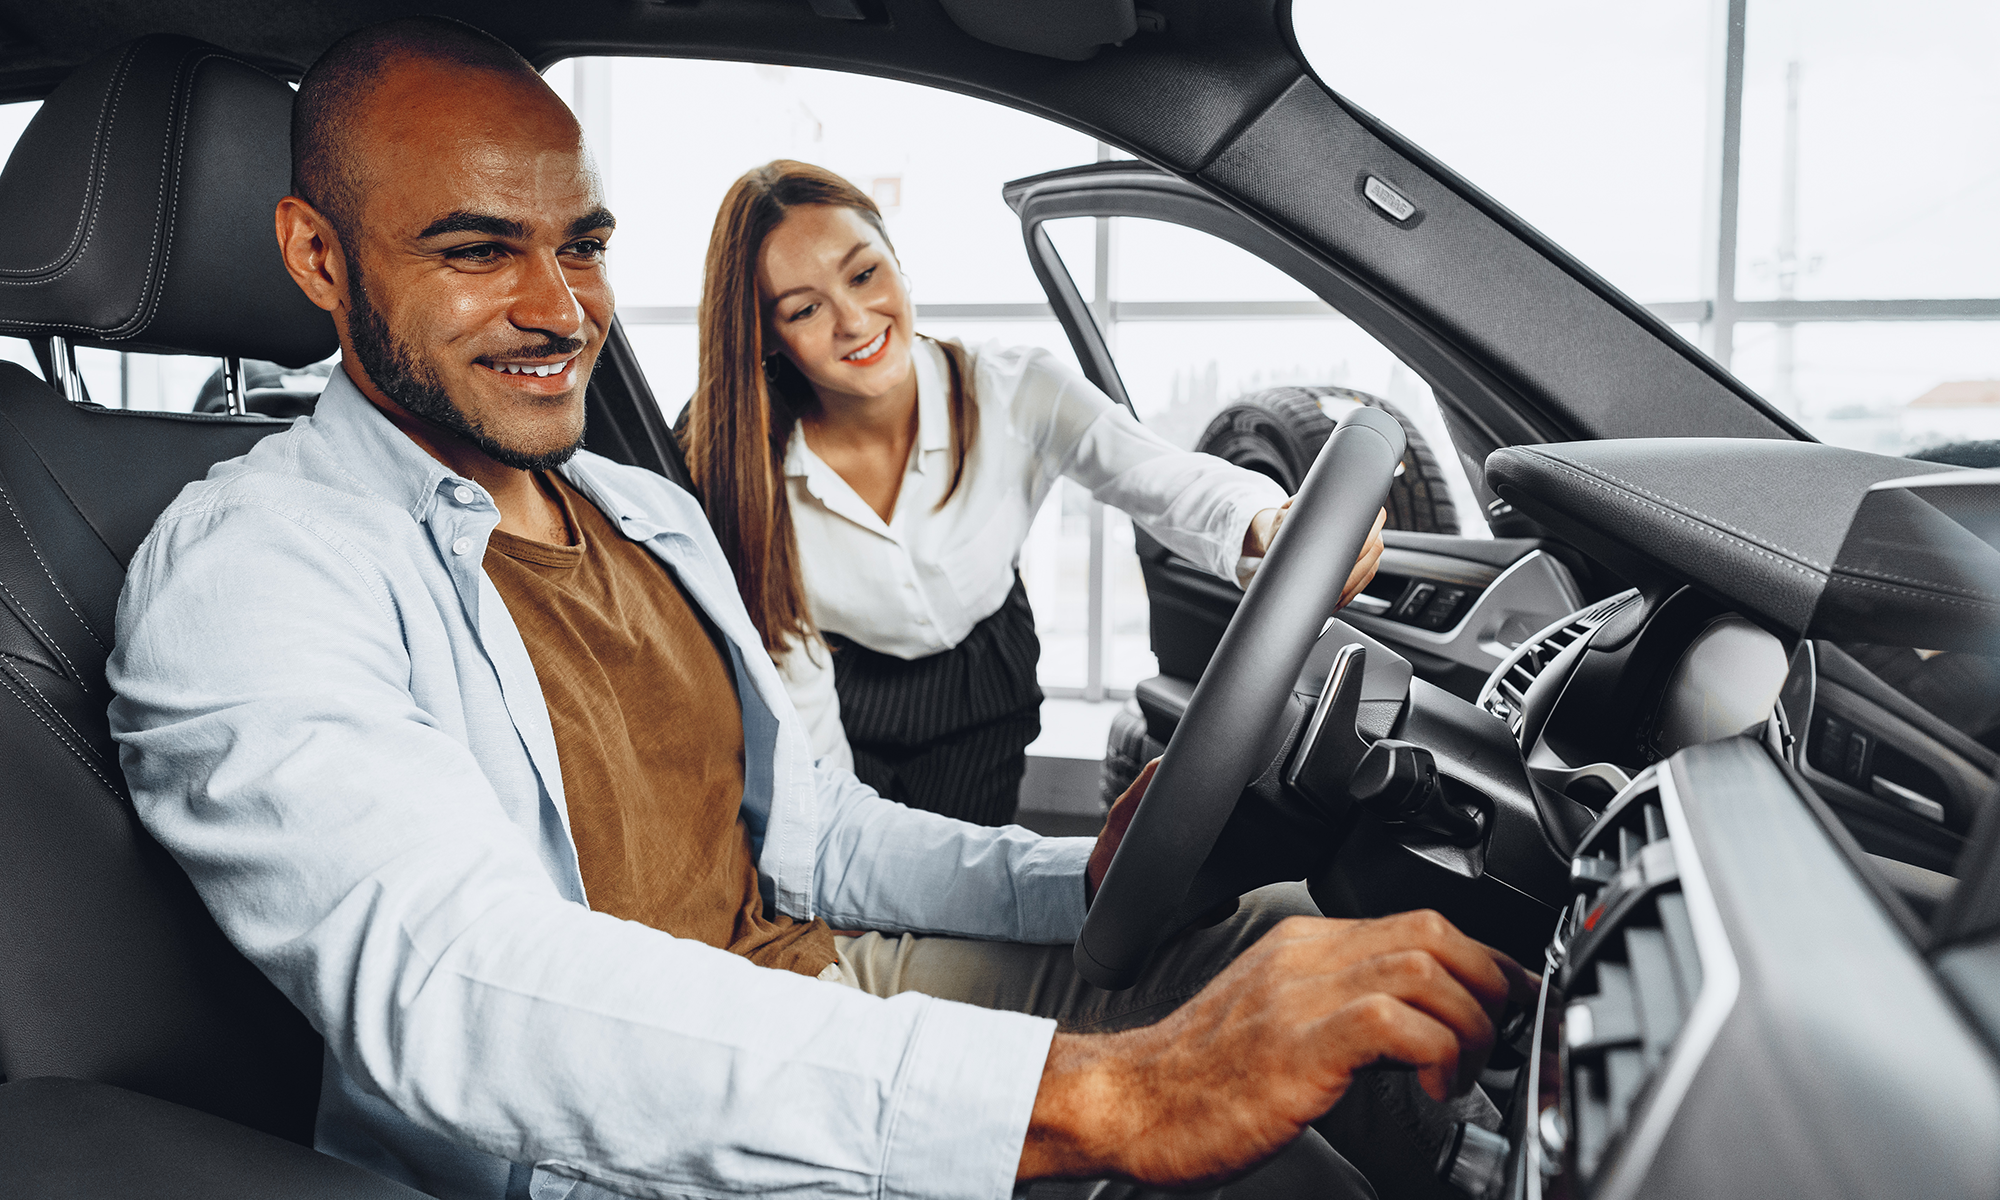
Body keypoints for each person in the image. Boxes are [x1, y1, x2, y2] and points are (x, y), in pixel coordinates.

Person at [107, 17, 1529, 1200]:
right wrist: (1111, 1092)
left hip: (819, 980)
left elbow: (820, 840)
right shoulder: (253, 568)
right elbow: (459, 985)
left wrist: (1074, 884)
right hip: (609, 1146)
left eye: (582, 244)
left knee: (1301, 951)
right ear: (316, 257)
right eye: (478, 252)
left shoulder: (643, 511)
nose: (560, 311)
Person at [684, 163, 1386, 824]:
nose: (855, 321)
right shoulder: (748, 471)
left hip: (982, 682)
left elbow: (1160, 478)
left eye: (864, 273)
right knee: (863, 888)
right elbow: (805, 732)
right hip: (840, 683)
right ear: (765, 336)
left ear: (896, 259)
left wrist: (1269, 521)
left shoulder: (1014, 388)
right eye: (805, 309)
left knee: (963, 895)